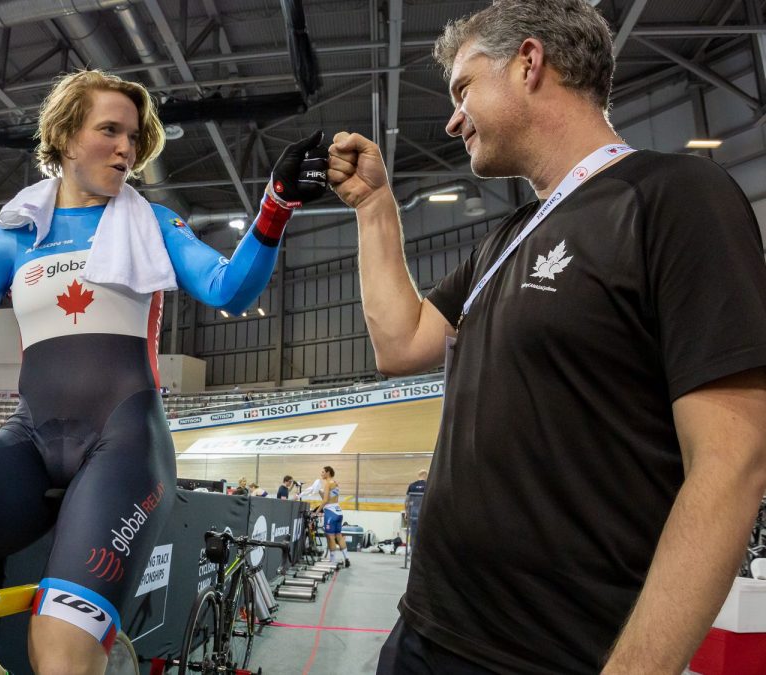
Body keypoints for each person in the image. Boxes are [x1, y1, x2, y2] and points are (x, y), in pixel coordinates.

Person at [0, 68, 327, 675]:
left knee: (59, 654)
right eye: (110, 131)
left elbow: (228, 289)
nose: (127, 148)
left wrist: (274, 207)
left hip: (124, 446)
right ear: (66, 137)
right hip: (30, 439)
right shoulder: (14, 236)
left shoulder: (153, 222)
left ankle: (86, 647)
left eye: (134, 136)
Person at [328, 1, 766, 672]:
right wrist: (373, 206)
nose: (451, 119)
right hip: (425, 631)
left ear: (529, 62)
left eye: (463, 88)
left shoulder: (674, 197)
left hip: (554, 656)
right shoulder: (504, 240)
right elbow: (402, 342)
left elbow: (732, 462)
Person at [315, 466, 348, 567]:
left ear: (328, 473)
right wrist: (320, 492)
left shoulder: (327, 484)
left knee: (330, 537)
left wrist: (317, 511)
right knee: (339, 536)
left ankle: (332, 561)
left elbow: (325, 501)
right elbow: (330, 498)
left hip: (330, 512)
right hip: (338, 511)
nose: (321, 474)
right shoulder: (335, 483)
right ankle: (347, 558)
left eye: (323, 472)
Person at [405, 470, 427, 555]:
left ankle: (412, 551)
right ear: (425, 475)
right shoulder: (427, 485)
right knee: (424, 532)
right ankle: (422, 552)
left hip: (413, 512)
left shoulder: (412, 485)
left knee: (413, 532)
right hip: (423, 513)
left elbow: (407, 500)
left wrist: (407, 512)